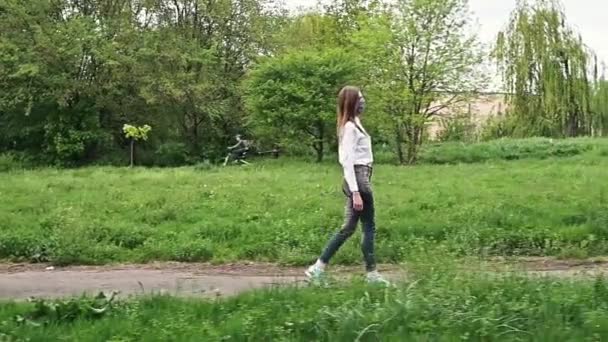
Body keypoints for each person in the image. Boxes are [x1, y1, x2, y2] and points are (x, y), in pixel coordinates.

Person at [305, 86, 389, 285]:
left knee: (348, 228)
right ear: (352, 102)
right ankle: (371, 274)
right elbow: (347, 161)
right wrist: (356, 192)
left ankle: (318, 268)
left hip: (361, 176)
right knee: (369, 225)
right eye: (360, 98)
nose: (363, 101)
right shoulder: (350, 128)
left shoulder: (355, 123)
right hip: (359, 179)